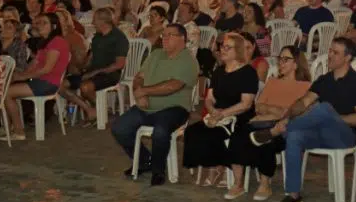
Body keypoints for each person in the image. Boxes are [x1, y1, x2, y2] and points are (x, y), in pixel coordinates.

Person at [250, 37, 356, 202]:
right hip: (320, 133)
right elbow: (303, 102)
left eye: (335, 52)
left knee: (324, 109)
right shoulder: (324, 80)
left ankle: (274, 132)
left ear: (348, 58)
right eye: (330, 50)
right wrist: (289, 114)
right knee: (294, 136)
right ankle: (293, 195)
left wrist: (332, 118)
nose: (329, 55)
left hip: (345, 136)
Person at [111, 24, 198, 186]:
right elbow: (139, 76)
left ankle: (159, 170)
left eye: (170, 35)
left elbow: (173, 86)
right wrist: (138, 91)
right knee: (119, 128)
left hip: (174, 108)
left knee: (160, 131)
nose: (164, 38)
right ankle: (145, 160)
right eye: (163, 35)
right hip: (147, 105)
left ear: (182, 39)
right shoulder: (156, 54)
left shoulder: (188, 60)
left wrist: (144, 91)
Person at [227, 45, 311, 201]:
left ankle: (265, 184)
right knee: (237, 136)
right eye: (280, 59)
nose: (281, 62)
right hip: (260, 122)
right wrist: (278, 110)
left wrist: (273, 110)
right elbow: (258, 106)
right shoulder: (272, 82)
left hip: (283, 128)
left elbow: (295, 113)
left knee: (266, 140)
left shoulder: (305, 87)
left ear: (296, 64)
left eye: (286, 59)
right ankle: (238, 183)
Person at [183, 33, 259, 187]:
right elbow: (209, 98)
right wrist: (212, 111)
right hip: (218, 113)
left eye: (227, 48)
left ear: (237, 50)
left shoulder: (248, 73)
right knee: (193, 131)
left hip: (240, 116)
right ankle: (213, 165)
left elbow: (246, 104)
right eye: (222, 47)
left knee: (217, 134)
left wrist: (222, 114)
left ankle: (224, 168)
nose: (222, 50)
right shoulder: (219, 71)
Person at [3, 14, 71, 141]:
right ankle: (8, 127)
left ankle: (18, 131)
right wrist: (19, 75)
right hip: (40, 80)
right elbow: (34, 64)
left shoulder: (57, 42)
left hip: (48, 83)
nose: (40, 25)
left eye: (44, 23)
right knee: (5, 87)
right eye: (39, 23)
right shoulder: (44, 42)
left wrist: (22, 76)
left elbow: (46, 69)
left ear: (54, 26)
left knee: (7, 93)